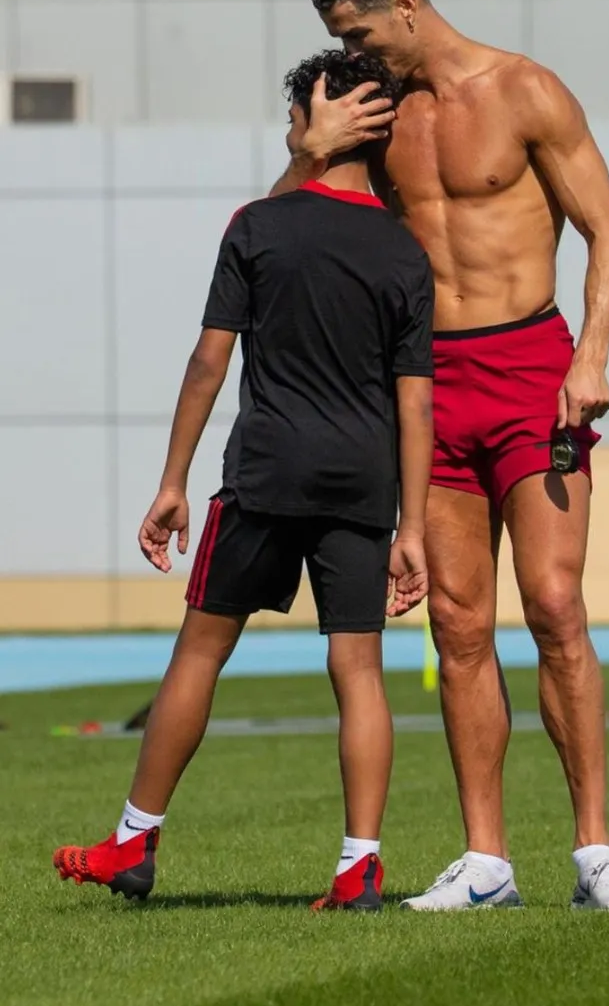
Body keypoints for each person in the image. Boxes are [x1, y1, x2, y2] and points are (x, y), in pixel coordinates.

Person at [270, 0, 609, 912]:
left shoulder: (525, 90)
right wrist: (308, 154)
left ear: (404, 7)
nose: (353, 55)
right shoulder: (368, 113)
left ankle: (596, 852)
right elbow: (275, 238)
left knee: (557, 606)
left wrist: (592, 355)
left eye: (357, 33)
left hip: (533, 373)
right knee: (458, 622)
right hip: (427, 387)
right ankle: (487, 861)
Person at [53, 49, 435, 912]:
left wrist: (172, 481)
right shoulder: (406, 253)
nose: (290, 130)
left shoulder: (256, 226)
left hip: (264, 474)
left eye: (297, 116)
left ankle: (132, 844)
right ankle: (359, 868)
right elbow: (417, 408)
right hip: (363, 486)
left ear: (319, 122)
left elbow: (206, 364)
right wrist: (411, 526)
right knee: (360, 670)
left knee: (200, 650)